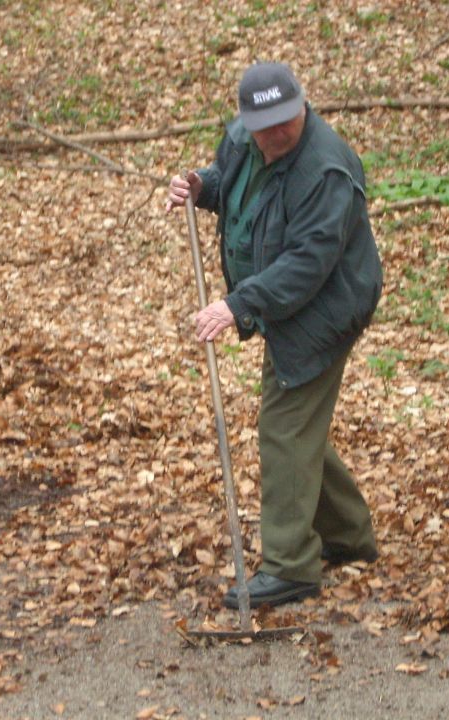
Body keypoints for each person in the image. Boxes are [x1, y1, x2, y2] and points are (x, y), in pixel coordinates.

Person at [166, 62, 383, 608]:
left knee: (284, 427)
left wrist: (239, 305)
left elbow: (308, 264)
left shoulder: (324, 168)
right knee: (298, 424)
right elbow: (234, 185)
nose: (278, 132)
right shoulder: (244, 138)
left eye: (287, 120)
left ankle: (291, 567)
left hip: (324, 307)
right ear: (247, 119)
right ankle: (349, 535)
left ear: (302, 105)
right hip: (283, 304)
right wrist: (201, 186)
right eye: (266, 125)